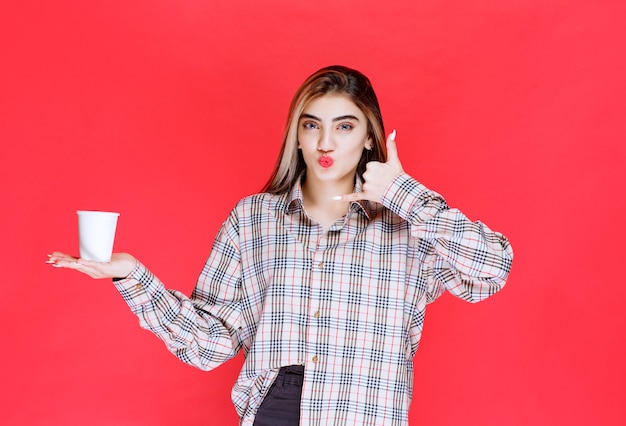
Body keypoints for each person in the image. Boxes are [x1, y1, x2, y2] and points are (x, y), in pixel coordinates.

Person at [48, 65, 514, 426]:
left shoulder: (408, 225)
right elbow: (210, 344)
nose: (325, 142)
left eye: (345, 126)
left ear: (370, 135)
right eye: (311, 126)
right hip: (275, 411)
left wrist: (402, 194)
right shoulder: (253, 220)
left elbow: (493, 269)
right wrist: (132, 277)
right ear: (297, 133)